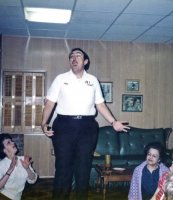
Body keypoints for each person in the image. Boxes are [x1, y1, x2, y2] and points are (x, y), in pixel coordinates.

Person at [41, 48, 130, 200]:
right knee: (63, 169)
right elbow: (49, 103)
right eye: (71, 56)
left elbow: (100, 105)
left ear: (86, 61)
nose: (74, 58)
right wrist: (43, 123)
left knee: (83, 169)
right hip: (64, 125)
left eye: (78, 56)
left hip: (87, 127)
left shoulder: (93, 80)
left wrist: (113, 121)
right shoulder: (60, 79)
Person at [0, 133, 38, 200]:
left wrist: (27, 168)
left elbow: (33, 180)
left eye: (11, 141)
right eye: (9, 142)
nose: (13, 142)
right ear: (4, 150)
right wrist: (10, 169)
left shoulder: (23, 159)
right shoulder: (2, 164)